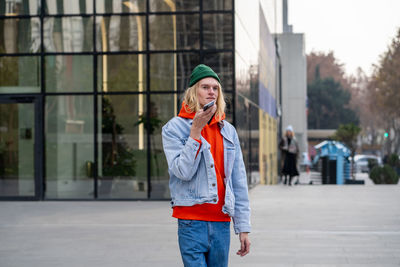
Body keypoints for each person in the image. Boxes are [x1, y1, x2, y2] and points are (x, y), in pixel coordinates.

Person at [162, 64, 251, 267]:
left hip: (221, 222)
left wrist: (243, 227)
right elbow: (182, 171)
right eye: (205, 87)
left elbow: (238, 181)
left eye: (215, 87)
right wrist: (195, 132)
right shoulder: (173, 128)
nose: (211, 91)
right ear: (193, 91)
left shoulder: (228, 131)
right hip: (191, 221)